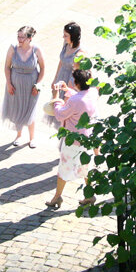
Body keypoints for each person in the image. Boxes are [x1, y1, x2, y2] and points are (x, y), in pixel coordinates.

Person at [45, 68, 98, 209]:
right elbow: (80, 96)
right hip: (88, 138)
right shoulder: (93, 93)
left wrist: (56, 97)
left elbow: (60, 114)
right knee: (86, 167)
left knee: (64, 168)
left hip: (73, 140)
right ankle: (89, 195)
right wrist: (67, 89)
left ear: (77, 83)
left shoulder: (74, 101)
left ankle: (57, 197)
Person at [1, 26, 45, 147]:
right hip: (15, 84)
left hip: (31, 85)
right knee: (17, 108)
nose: (19, 39)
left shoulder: (36, 49)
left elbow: (43, 68)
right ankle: (19, 135)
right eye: (18, 36)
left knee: (30, 110)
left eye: (22, 37)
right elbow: (7, 66)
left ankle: (32, 138)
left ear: (30, 38)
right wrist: (9, 83)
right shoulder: (13, 48)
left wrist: (38, 84)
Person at [44, 22, 85, 128]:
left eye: (66, 35)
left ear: (74, 37)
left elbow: (78, 74)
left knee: (65, 111)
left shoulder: (80, 53)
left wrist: (69, 91)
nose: (63, 37)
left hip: (70, 83)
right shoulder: (66, 44)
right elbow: (61, 62)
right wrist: (55, 79)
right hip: (61, 77)